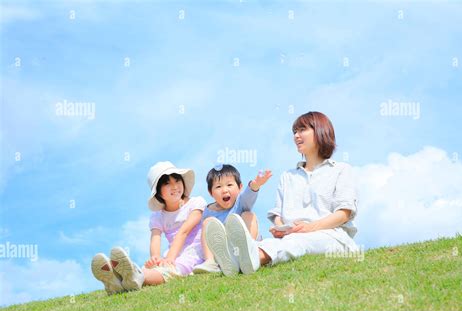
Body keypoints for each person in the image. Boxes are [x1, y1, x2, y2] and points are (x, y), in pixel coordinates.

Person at [210, 111, 359, 276]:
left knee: (298, 241)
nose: (296, 136)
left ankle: (250, 258)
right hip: (292, 237)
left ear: (320, 131)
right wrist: (281, 228)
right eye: (295, 132)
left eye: (302, 130)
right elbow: (277, 215)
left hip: (333, 237)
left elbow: (344, 213)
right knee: (281, 241)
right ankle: (234, 258)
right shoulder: (288, 176)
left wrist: (309, 228)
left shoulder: (341, 170)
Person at [91, 161, 206, 294]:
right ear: (158, 193)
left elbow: (183, 232)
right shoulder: (158, 216)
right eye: (167, 183)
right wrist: (156, 257)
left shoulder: (196, 203)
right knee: (151, 268)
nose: (174, 186)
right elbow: (155, 238)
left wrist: (170, 258)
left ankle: (133, 277)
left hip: (194, 252)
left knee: (171, 270)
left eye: (177, 181)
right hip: (172, 254)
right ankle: (116, 280)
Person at [193, 164, 272, 275]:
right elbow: (209, 237)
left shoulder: (241, 202)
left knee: (249, 215)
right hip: (228, 253)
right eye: (218, 187)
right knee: (207, 223)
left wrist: (256, 184)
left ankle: (248, 254)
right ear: (211, 192)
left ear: (240, 187)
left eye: (229, 185)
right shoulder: (209, 211)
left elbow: (249, 194)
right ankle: (210, 262)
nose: (224, 190)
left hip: (248, 248)